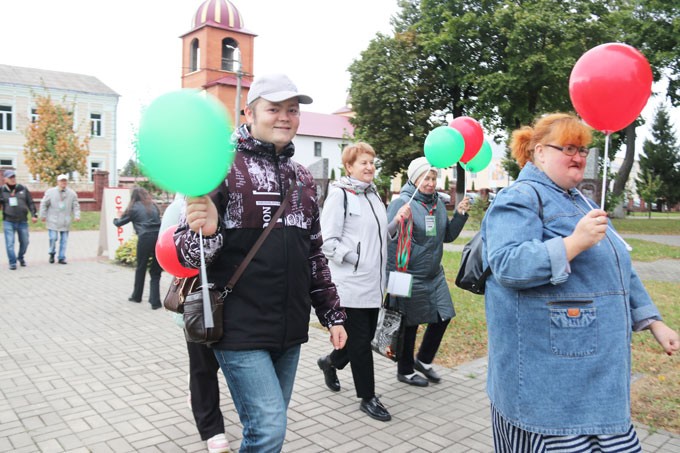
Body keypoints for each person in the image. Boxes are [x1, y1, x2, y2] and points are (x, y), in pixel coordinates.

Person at [482, 112, 679, 451]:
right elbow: (508, 264)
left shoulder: (581, 200)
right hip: (551, 378)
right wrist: (573, 243)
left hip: (594, 373)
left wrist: (653, 321)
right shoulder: (521, 197)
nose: (579, 157)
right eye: (569, 148)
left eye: (583, 149)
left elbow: (617, 265)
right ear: (540, 152)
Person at [174, 73, 347, 453]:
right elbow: (186, 256)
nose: (285, 117)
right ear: (250, 113)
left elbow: (314, 253)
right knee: (268, 430)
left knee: (269, 424)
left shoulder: (302, 178)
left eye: (293, 110)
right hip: (239, 329)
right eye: (274, 109)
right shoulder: (221, 168)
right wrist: (208, 232)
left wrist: (332, 315)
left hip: (289, 328)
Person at [317, 142, 411, 422]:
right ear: (349, 167)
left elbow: (378, 235)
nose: (370, 167)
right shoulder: (341, 196)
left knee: (364, 338)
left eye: (372, 162)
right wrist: (355, 259)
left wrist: (395, 222)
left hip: (374, 284)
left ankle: (329, 362)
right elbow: (327, 242)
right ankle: (368, 397)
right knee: (360, 342)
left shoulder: (373, 196)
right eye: (363, 163)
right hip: (350, 285)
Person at [386, 157, 470, 387]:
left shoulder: (438, 204)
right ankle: (404, 370)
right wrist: (392, 282)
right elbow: (389, 243)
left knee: (444, 315)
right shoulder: (403, 203)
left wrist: (460, 216)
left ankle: (422, 360)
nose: (430, 182)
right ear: (414, 178)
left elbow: (448, 236)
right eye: (425, 177)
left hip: (434, 275)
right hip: (409, 275)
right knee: (409, 324)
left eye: (433, 178)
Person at [113, 187, 163, 309]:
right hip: (158, 238)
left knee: (141, 267)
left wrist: (116, 218)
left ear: (134, 197)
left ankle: (137, 296)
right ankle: (155, 302)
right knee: (155, 272)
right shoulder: (154, 205)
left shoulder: (133, 208)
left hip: (145, 238)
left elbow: (119, 223)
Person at [1, 169, 38, 269]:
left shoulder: (22, 188)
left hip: (22, 221)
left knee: (25, 242)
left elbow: (30, 202)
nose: (13, 179)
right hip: (8, 221)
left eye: (14, 177)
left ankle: (20, 257)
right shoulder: (2, 190)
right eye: (10, 177)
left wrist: (34, 215)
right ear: (5, 179)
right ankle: (12, 262)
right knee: (9, 243)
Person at [39, 174, 80, 264]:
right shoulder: (50, 192)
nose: (63, 183)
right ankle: (52, 253)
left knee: (64, 240)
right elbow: (44, 204)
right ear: (58, 182)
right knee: (53, 238)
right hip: (53, 220)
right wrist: (43, 215)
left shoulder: (72, 193)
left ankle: (61, 257)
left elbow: (76, 206)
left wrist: (77, 215)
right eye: (61, 181)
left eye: (65, 181)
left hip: (65, 221)